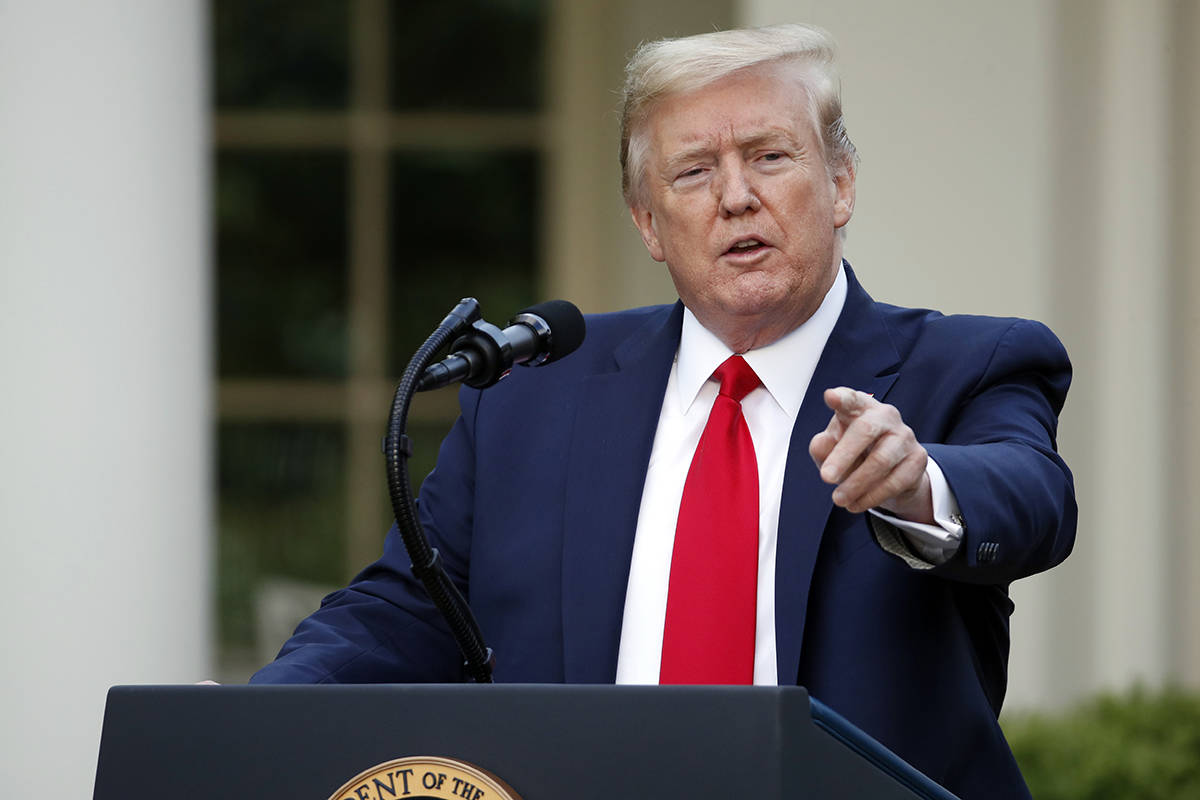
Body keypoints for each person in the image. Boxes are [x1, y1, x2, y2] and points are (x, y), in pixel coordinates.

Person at [252, 24, 1075, 800]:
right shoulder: (533, 395)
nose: (737, 197)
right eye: (693, 172)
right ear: (649, 223)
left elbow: (1032, 494)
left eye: (771, 156)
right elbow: (407, 610)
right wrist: (256, 714)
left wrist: (921, 483)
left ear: (841, 184)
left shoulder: (969, 364)